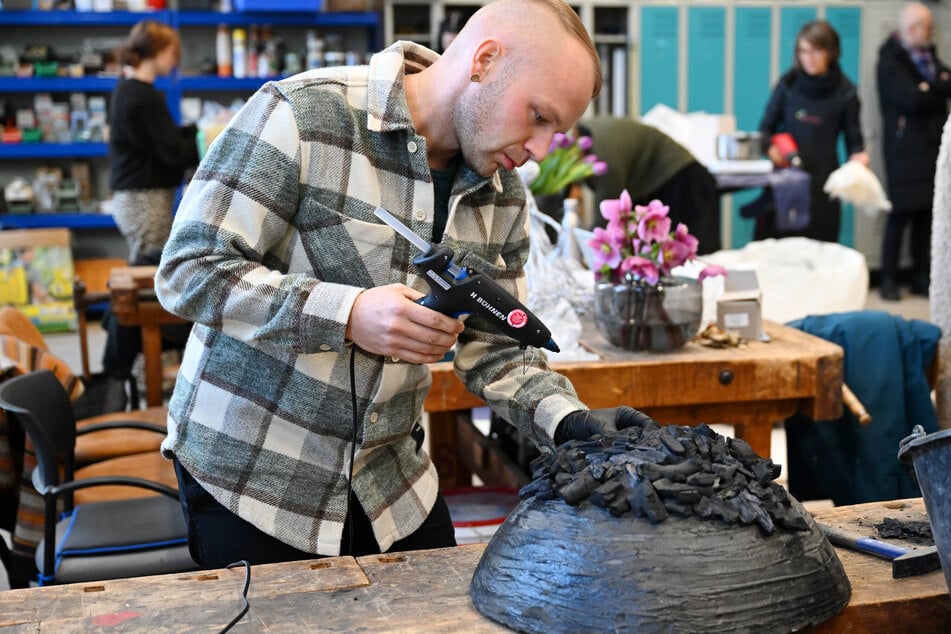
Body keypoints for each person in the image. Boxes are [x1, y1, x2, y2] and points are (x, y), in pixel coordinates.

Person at [155, 0, 653, 568]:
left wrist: (569, 422)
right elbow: (188, 269)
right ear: (485, 61)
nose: (539, 151)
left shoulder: (503, 193)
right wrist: (349, 315)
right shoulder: (303, 115)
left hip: (390, 483)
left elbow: (498, 349)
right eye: (538, 117)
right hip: (256, 479)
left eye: (556, 131)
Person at [758, 20, 869, 243]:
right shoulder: (788, 84)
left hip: (823, 185)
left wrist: (859, 159)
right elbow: (764, 130)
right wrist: (770, 148)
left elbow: (854, 141)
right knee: (783, 251)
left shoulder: (846, 92)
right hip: (787, 181)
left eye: (816, 51)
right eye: (803, 52)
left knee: (821, 251)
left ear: (831, 52)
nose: (809, 58)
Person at [876, 2, 951, 301]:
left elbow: (946, 83)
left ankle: (922, 276)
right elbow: (911, 99)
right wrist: (933, 89)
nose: (932, 32)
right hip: (903, 150)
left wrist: (927, 88)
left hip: (930, 146)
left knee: (926, 216)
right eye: (927, 27)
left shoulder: (929, 56)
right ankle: (889, 279)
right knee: (900, 214)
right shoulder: (890, 59)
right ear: (910, 29)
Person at [109, 20, 199, 264]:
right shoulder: (142, 96)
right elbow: (173, 151)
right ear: (155, 51)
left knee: (147, 265)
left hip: (137, 197)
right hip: (143, 199)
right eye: (172, 53)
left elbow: (161, 137)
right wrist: (205, 141)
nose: (174, 60)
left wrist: (194, 131)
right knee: (149, 271)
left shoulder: (132, 90)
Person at [579, 116, 721, 254]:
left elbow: (605, 217)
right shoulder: (580, 135)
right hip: (659, 182)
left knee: (694, 253)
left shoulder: (605, 158)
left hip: (684, 180)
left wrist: (584, 250)